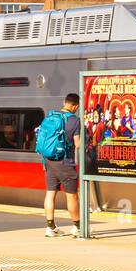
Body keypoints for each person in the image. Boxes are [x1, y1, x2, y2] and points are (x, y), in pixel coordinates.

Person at [43, 93, 82, 237]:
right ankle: (77, 227)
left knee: (50, 193)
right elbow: (78, 144)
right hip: (66, 163)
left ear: (64, 102)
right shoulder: (75, 120)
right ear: (75, 106)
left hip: (49, 161)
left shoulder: (50, 117)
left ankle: (50, 227)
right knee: (72, 196)